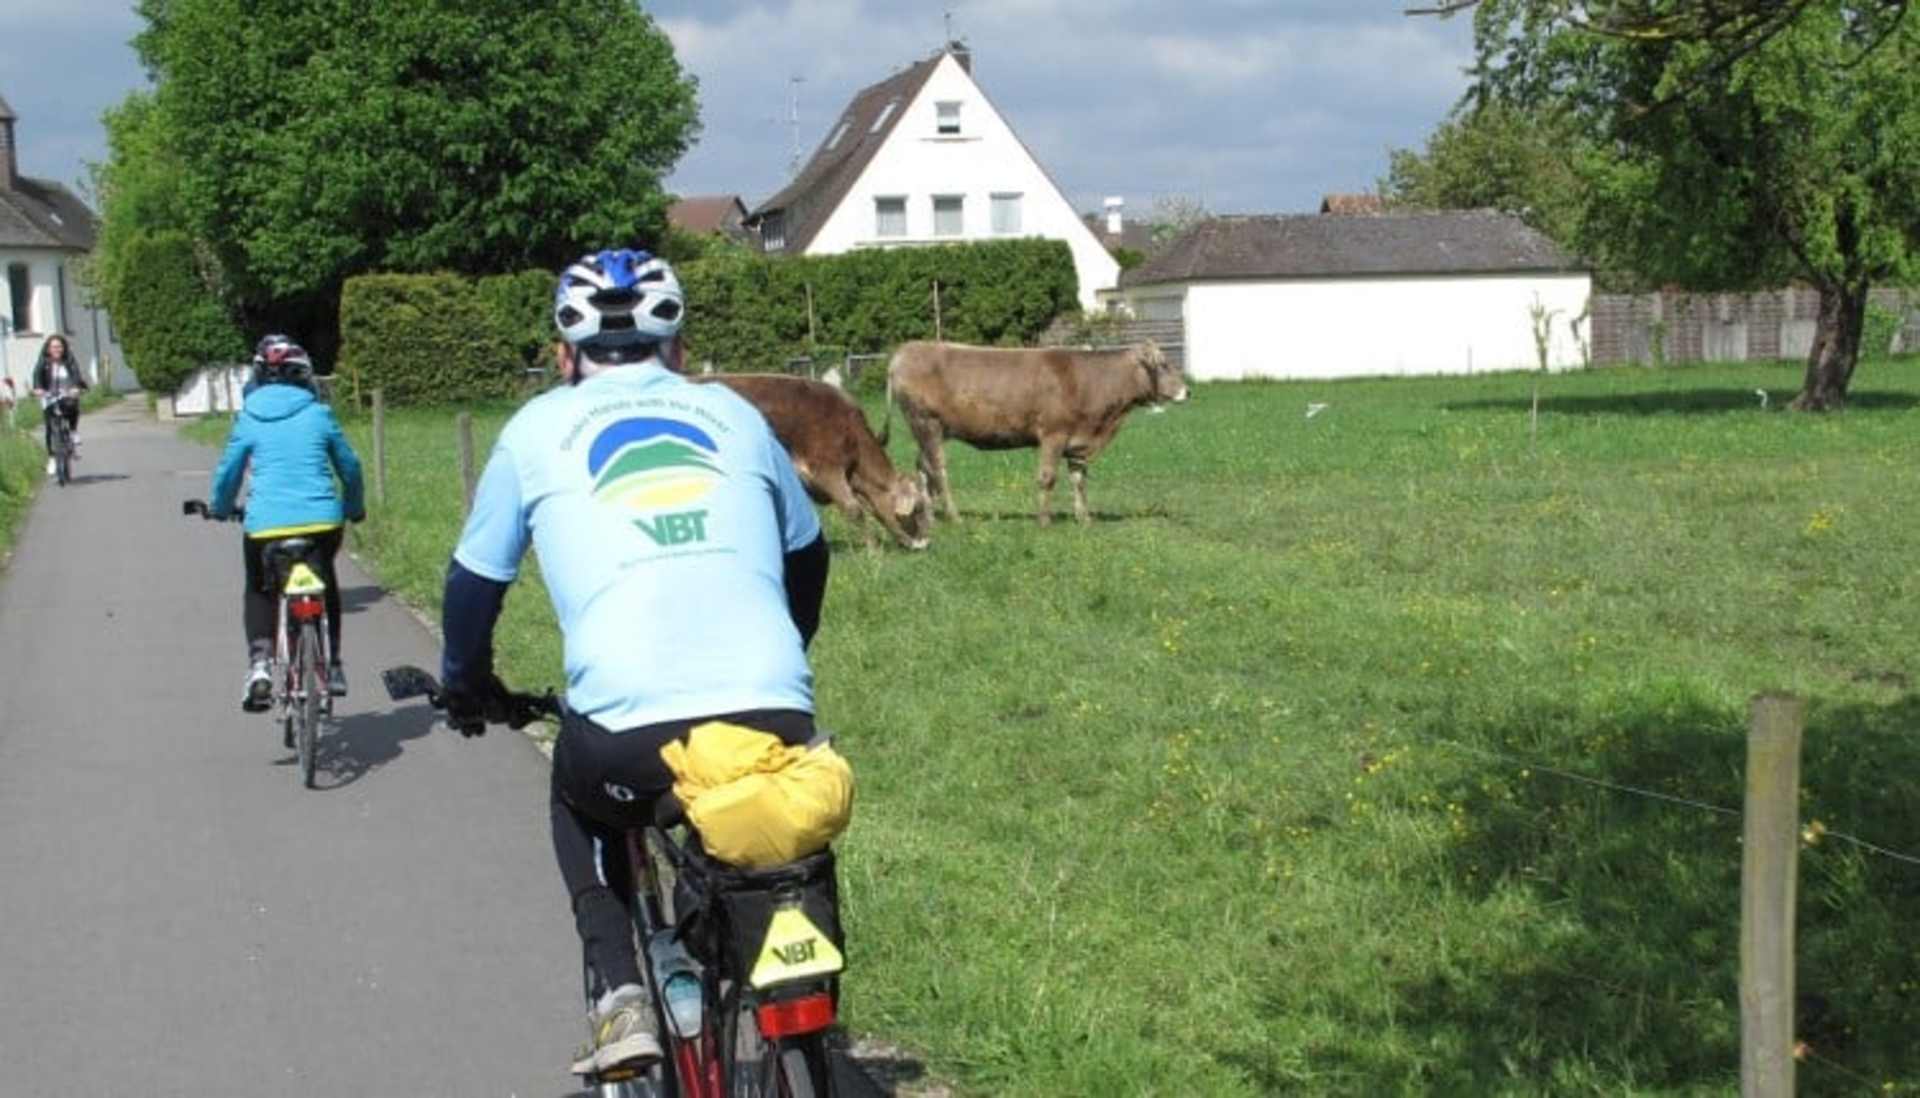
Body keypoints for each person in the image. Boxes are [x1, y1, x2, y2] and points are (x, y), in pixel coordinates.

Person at [438, 248, 829, 1077]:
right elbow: (808, 551)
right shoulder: (735, 415)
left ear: (564, 355)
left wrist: (466, 685)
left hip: (626, 731)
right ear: (678, 349)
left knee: (577, 799)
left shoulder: (535, 429)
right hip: (771, 711)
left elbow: (474, 583)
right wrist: (786, 654)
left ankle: (621, 995)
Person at [209, 335, 366, 710]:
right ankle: (333, 664)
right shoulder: (319, 415)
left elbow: (229, 472)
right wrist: (354, 507)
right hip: (322, 524)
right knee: (325, 582)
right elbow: (350, 467)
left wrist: (221, 507)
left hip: (266, 526)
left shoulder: (248, 418)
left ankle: (260, 664)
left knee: (258, 587)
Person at [30, 335, 87, 474]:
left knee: (73, 405)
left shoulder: (69, 360)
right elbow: (37, 375)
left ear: (64, 348)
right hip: (49, 395)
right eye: (54, 347)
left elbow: (76, 374)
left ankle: (73, 431)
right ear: (48, 349)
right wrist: (38, 389)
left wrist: (76, 387)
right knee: (50, 428)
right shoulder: (43, 362)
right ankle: (52, 458)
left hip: (66, 394)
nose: (57, 349)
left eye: (60, 346)